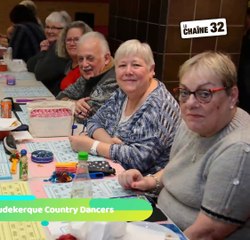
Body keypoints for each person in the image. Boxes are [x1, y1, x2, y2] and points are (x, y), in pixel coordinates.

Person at [118, 51, 250, 239]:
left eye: (205, 94)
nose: (190, 103)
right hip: (155, 214)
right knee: (74, 209)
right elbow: (179, 167)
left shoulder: (239, 150)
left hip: (178, 233)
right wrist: (151, 181)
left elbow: (208, 232)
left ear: (232, 96)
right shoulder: (196, 120)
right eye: (185, 92)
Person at [69, 39, 180, 174]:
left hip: (143, 188)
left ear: (151, 70)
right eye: (122, 65)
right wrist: (109, 142)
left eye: (136, 65)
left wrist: (93, 146)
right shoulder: (122, 93)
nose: (128, 71)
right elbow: (93, 121)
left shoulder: (159, 104)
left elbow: (138, 160)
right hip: (115, 172)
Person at [56, 31, 117, 122]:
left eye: (90, 58)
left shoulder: (114, 80)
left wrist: (71, 106)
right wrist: (74, 104)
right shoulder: (90, 75)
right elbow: (60, 96)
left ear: (106, 59)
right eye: (80, 59)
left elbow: (87, 117)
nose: (84, 65)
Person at [26, 11, 71, 95]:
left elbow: (40, 74)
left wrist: (43, 53)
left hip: (55, 96)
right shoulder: (52, 45)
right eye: (47, 27)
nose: (49, 31)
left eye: (54, 28)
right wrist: (43, 50)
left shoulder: (61, 47)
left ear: (65, 30)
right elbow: (30, 65)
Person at [56, 21, 92, 91]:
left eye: (77, 39)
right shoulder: (68, 64)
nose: (72, 43)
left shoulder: (89, 68)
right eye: (69, 40)